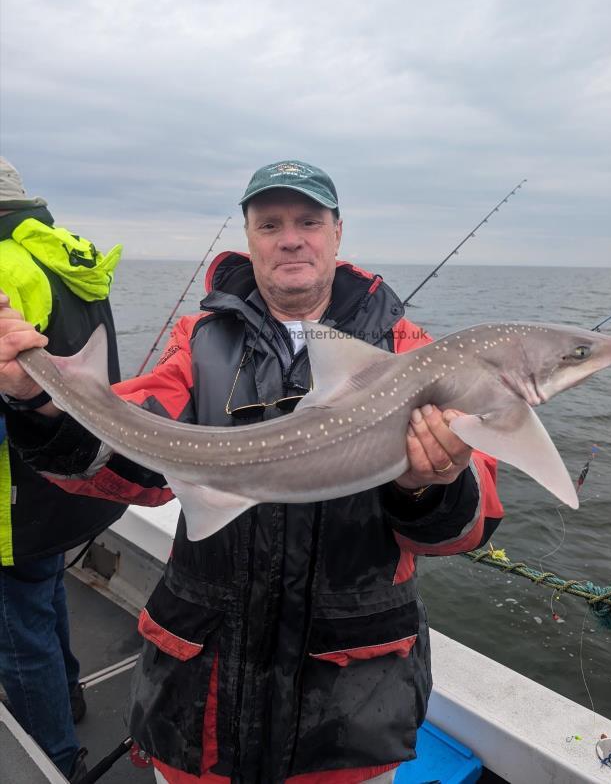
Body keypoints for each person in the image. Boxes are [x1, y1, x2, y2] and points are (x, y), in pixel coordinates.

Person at [0, 160, 502, 784]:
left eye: (308, 221)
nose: (291, 237)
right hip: (201, 702)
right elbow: (125, 464)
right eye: (270, 223)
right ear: (250, 238)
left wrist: (432, 483)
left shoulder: (409, 352)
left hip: (346, 714)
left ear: (337, 233)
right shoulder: (200, 343)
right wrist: (39, 398)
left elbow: (465, 530)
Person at [0, 157, 125, 782]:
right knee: (43, 590)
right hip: (69, 475)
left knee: (17, 632)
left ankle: (54, 760)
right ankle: (69, 691)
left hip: (13, 487)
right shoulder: (65, 252)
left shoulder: (3, 269)